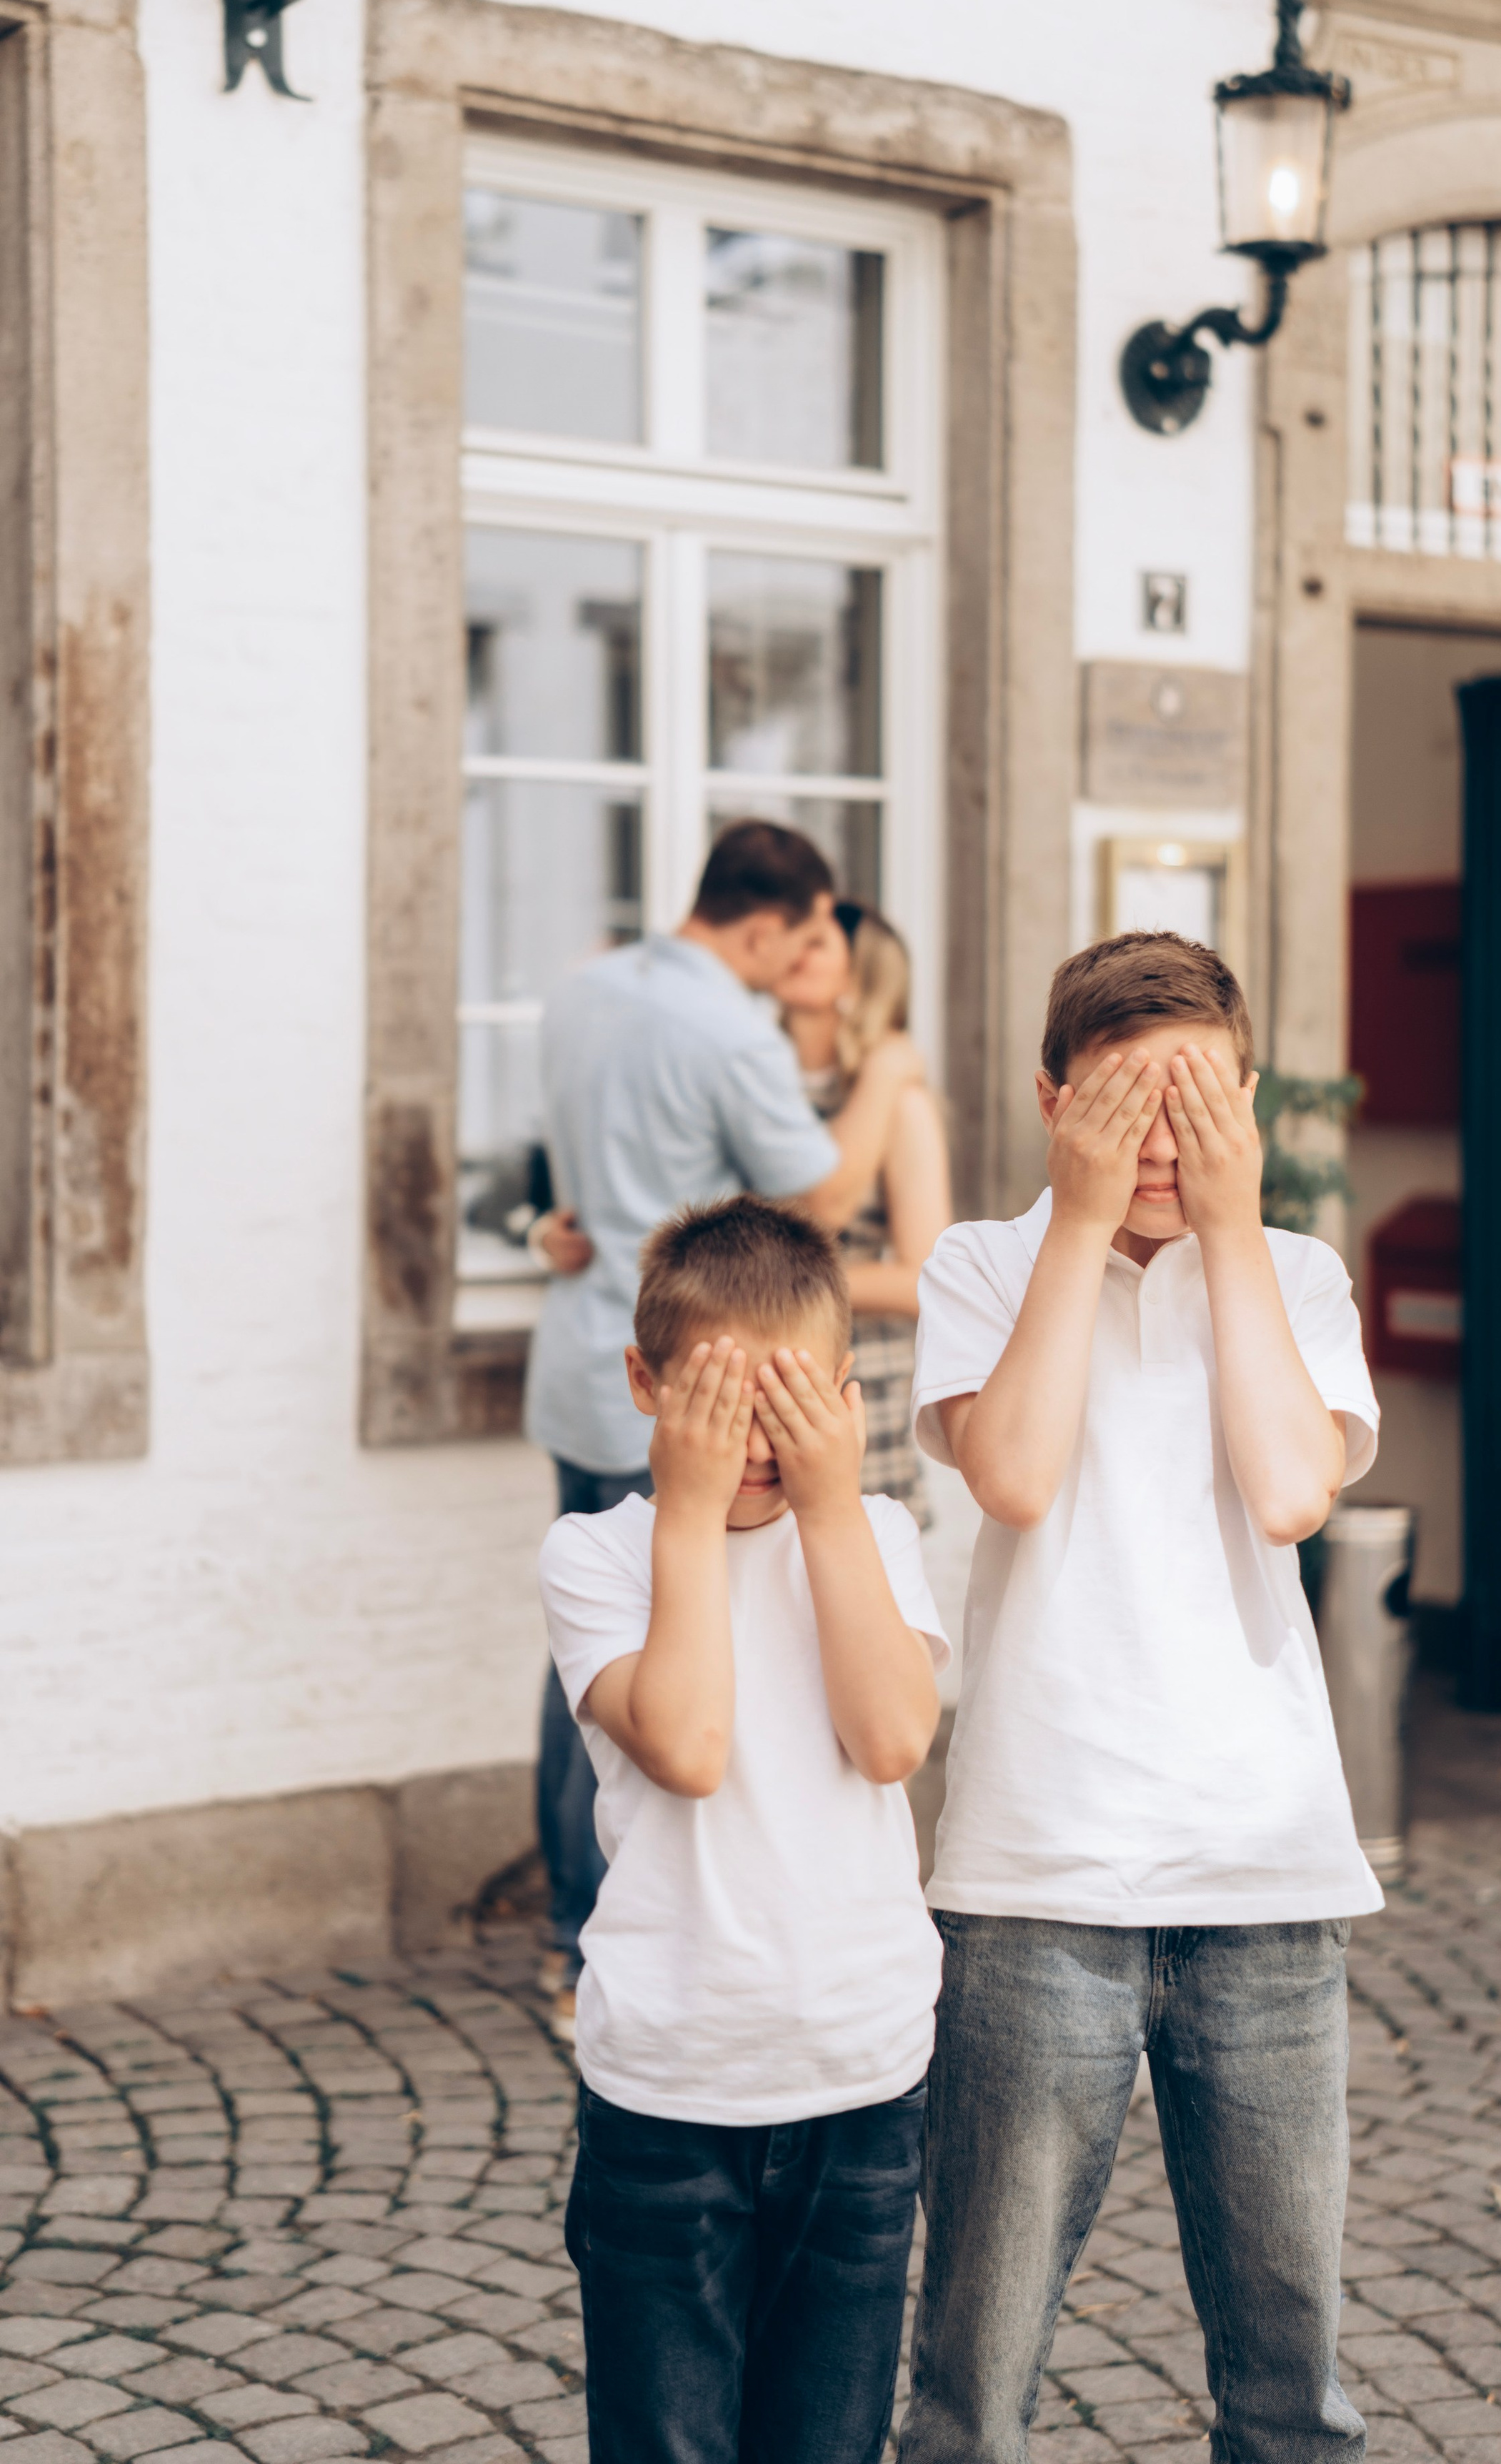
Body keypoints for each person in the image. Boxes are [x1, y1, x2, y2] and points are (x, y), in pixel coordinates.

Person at [897, 928, 1382, 2464]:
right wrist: (1079, 1224)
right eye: (1122, 1107)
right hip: (1042, 1868)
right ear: (1052, 1101)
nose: (1161, 1146)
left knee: (1287, 2377)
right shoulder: (983, 1263)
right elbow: (1018, 1474)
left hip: (1264, 1867)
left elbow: (1293, 1489)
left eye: (1198, 1106)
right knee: (973, 2375)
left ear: (1243, 1097)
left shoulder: (1294, 1275)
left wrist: (1234, 1235)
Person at [539, 1194, 947, 2464]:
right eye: (724, 1398)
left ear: (841, 1395)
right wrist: (685, 1514)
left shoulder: (875, 1533)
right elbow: (689, 1746)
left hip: (861, 2078)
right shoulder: (597, 1556)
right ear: (646, 1386)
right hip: (669, 2086)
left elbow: (891, 1743)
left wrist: (832, 1510)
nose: (758, 1440)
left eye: (791, 1403)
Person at [523, 818, 924, 2041]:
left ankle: (572, 1925)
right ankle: (653, 1924)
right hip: (709, 1387)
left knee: (590, 1661)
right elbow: (825, 1203)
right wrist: (895, 1078)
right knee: (662, 1643)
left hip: (596, 1361)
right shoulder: (729, 1031)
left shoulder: (584, 988)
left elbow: (570, 1185)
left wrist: (556, 1230)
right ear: (766, 926)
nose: (806, 962)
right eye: (804, 938)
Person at [777, 897, 952, 1522]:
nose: (792, 947)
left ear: (858, 976)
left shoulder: (897, 1100)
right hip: (754, 1371)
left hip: (853, 1377)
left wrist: (764, 1283)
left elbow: (921, 1277)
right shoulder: (754, 1084)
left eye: (817, 942)